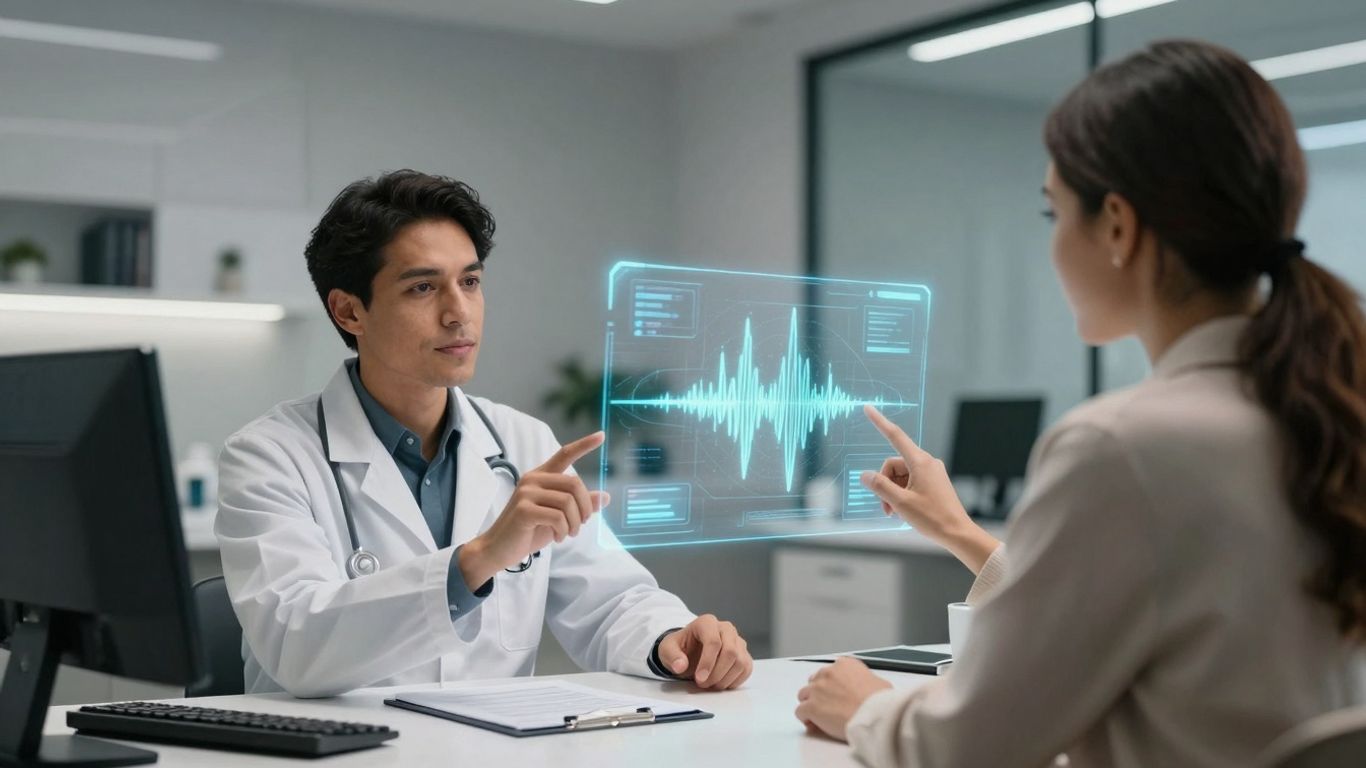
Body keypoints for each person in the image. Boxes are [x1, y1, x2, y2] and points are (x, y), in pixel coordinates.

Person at [795, 39, 1366, 767]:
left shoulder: (1121, 447)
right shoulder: (1328, 410)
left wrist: (868, 708)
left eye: (1052, 213)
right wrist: (965, 534)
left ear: (1119, 226)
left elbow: (967, 749)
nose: (1053, 244)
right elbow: (1168, 605)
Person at [217, 170, 752, 698]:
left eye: (470, 282)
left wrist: (672, 642)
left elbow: (610, 601)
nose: (459, 314)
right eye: (423, 287)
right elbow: (295, 644)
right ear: (350, 310)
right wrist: (481, 557)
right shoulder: (269, 456)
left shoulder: (525, 444)